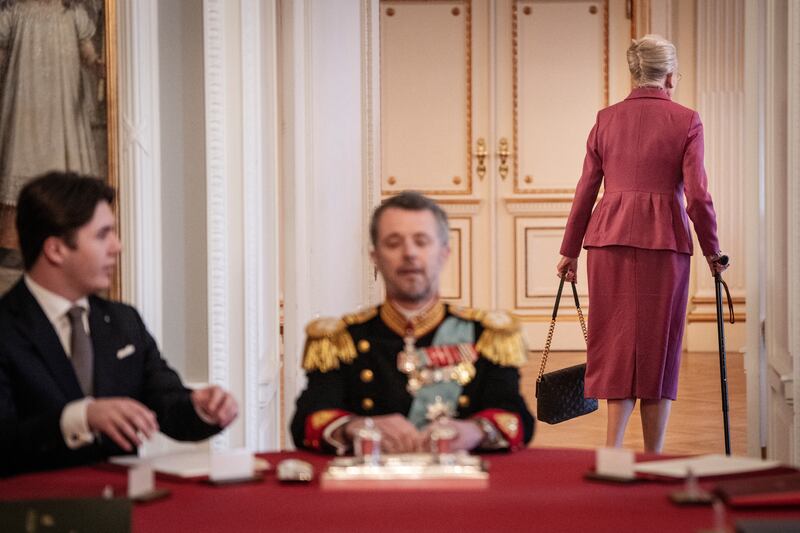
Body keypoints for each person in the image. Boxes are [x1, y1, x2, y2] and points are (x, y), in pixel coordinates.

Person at [0, 172, 238, 476]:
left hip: (124, 514)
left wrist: (203, 409)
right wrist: (80, 418)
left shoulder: (125, 322)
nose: (117, 246)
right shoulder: (7, 327)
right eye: (102, 235)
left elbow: (167, 405)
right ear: (56, 249)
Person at [556, 35, 729, 453]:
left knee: (615, 343)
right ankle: (653, 454)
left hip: (607, 239)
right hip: (664, 241)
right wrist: (712, 251)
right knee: (659, 346)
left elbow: (586, 189)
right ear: (669, 75)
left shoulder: (606, 118)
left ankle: (612, 451)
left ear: (633, 73)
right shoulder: (686, 120)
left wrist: (569, 249)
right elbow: (699, 195)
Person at [291, 192, 534, 454]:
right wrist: (355, 427)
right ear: (375, 257)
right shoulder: (341, 340)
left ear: (444, 253)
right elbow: (307, 421)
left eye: (421, 241)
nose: (409, 253)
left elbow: (515, 418)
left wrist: (475, 430)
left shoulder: (485, 336)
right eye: (394, 243)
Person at [0, 0, 104, 264]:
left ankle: (66, 240)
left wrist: (98, 64)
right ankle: (14, 243)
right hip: (24, 106)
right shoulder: (16, 13)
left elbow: (88, 52)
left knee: (63, 165)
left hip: (63, 107)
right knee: (19, 157)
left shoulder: (72, 15)